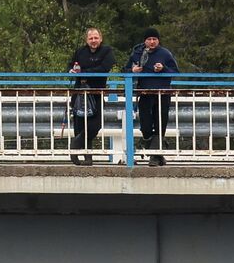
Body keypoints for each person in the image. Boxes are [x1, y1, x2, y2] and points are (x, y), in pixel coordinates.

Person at [126, 27, 179, 166]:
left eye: (154, 39)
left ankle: (155, 157)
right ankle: (158, 151)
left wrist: (163, 69)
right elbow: (125, 70)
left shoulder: (165, 54)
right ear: (145, 41)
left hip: (163, 93)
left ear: (158, 40)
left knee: (161, 123)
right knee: (146, 126)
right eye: (149, 39)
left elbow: (175, 71)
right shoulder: (137, 54)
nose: (152, 42)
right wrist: (133, 70)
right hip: (145, 93)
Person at [67, 28, 115, 165]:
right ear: (86, 40)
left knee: (95, 124)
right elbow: (71, 65)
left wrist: (84, 72)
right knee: (79, 125)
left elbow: (105, 67)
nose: (93, 41)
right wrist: (72, 70)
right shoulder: (80, 52)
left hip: (96, 92)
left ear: (101, 38)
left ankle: (76, 143)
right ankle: (85, 157)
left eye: (96, 38)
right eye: (91, 38)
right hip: (79, 92)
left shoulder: (107, 51)